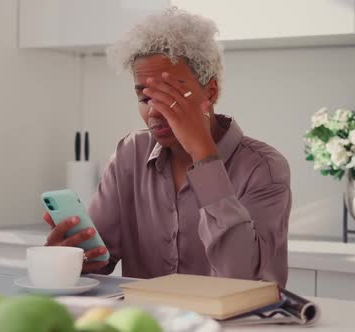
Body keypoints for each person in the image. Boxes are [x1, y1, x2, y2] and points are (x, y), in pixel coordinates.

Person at [44, 8, 291, 287]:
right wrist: (71, 257)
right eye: (145, 97)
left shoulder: (263, 167)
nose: (154, 113)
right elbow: (100, 259)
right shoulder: (130, 153)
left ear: (210, 92)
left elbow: (244, 282)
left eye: (169, 95)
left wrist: (205, 157)